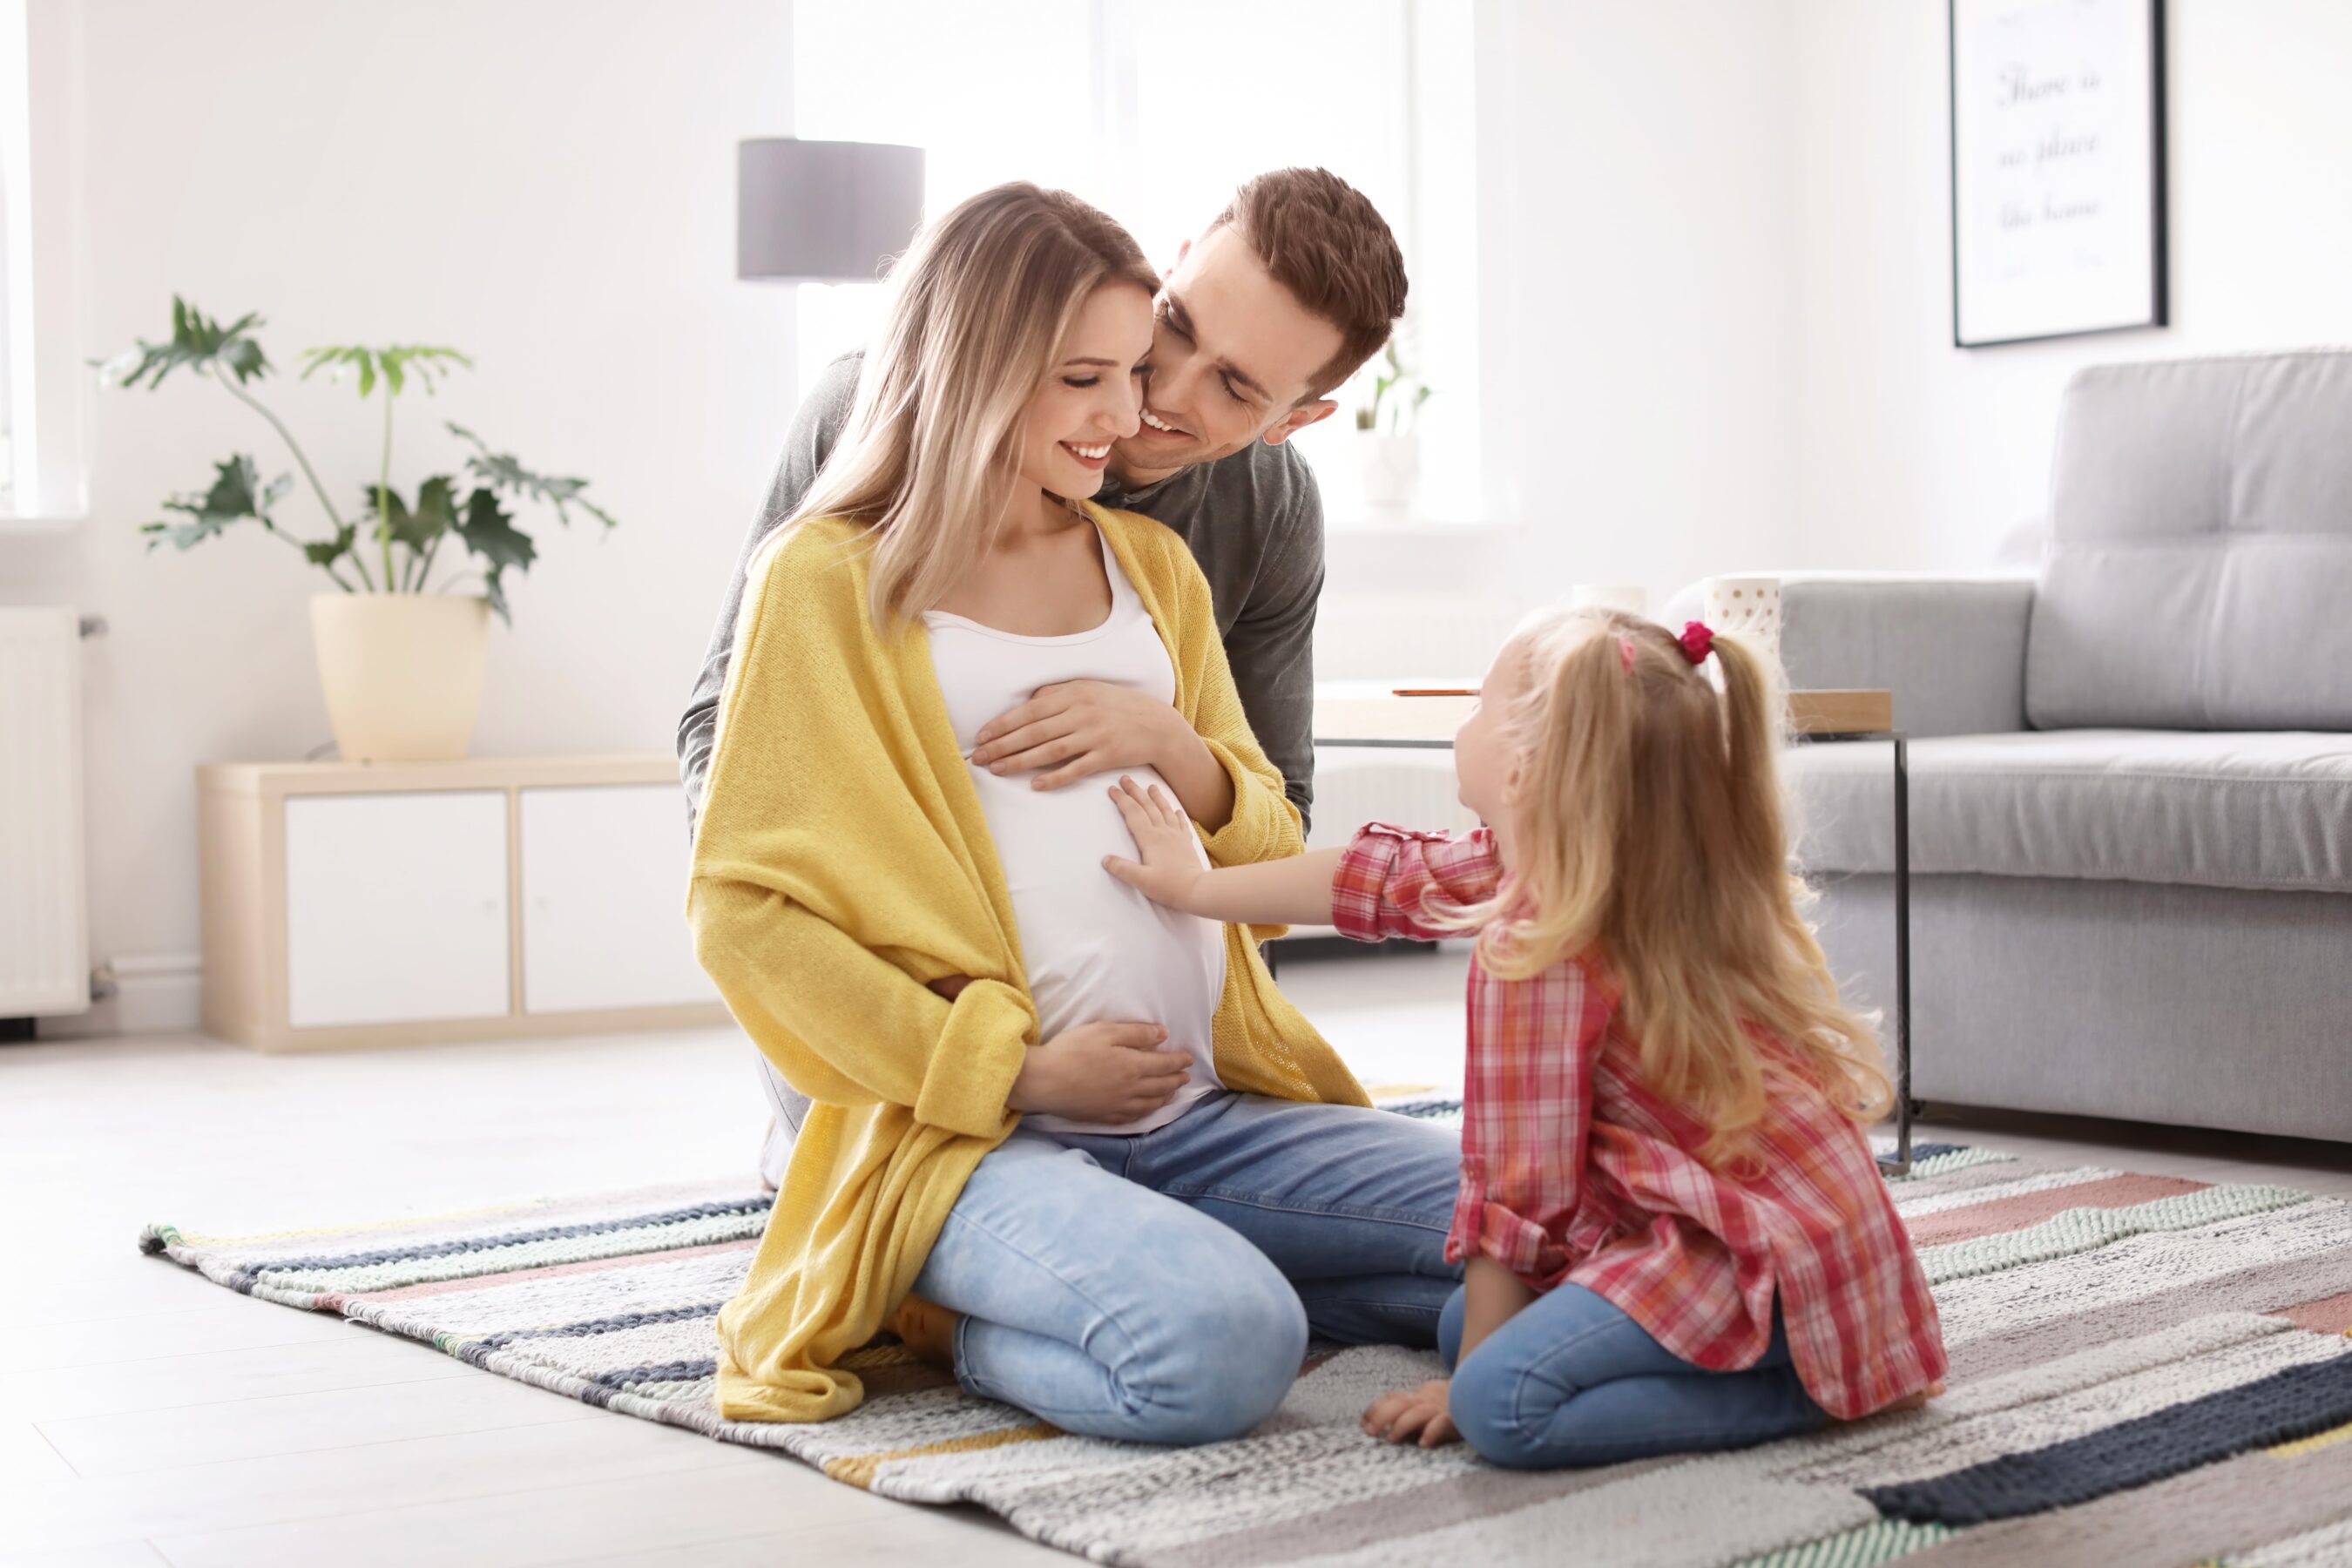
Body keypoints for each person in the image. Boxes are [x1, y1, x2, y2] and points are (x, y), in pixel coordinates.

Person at [687, 181, 1463, 1444]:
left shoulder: (1170, 560)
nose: (1143, 402)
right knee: (1227, 1346)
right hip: (969, 1118)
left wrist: (1179, 750)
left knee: (1545, 1217)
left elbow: (1271, 824)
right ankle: (929, 1292)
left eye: (1229, 387)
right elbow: (743, 882)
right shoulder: (833, 560)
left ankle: (1144, 1258)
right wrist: (912, 1078)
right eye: (1113, 364)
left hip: (1200, 1106)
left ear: (1294, 420)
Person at [1102, 608, 1950, 1469]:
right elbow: (1381, 878)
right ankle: (1805, 1353)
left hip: (1754, 1267)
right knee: (1456, 1316)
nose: (1462, 723)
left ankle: (1810, 1386)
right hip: (1799, 1237)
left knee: (1499, 1402)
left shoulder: (1537, 949)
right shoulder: (1606, 864)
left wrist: (1469, 1379)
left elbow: (1515, 1195)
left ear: (1521, 767)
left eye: (1477, 704)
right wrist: (1196, 889)